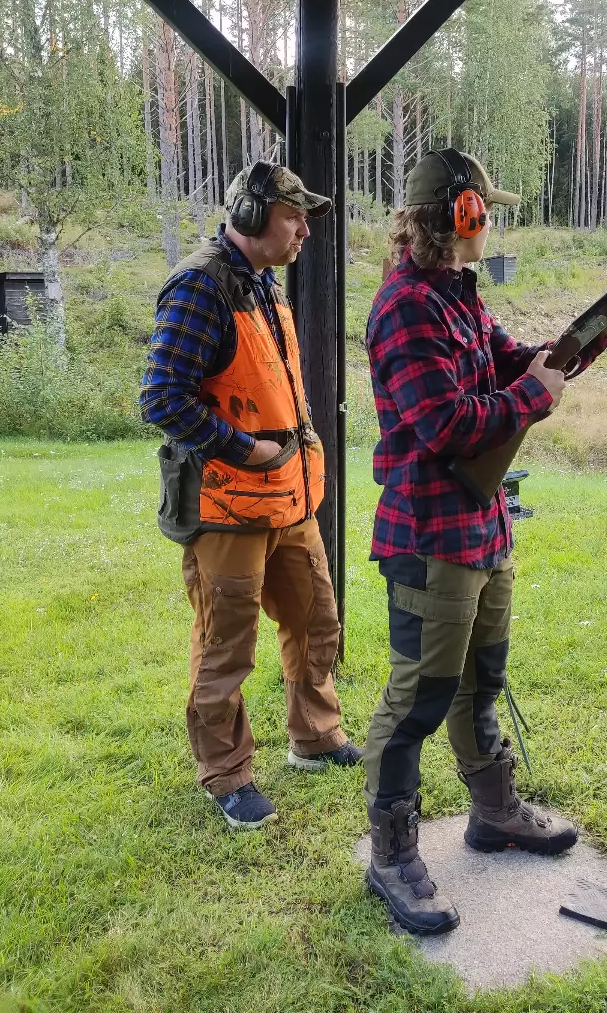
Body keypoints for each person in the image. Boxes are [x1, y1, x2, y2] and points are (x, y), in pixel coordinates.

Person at [362, 148, 607, 934]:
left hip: (482, 526)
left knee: (480, 681)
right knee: (418, 699)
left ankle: (494, 812)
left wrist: (596, 332)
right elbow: (445, 425)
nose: (490, 223)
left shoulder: (457, 294)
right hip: (431, 535)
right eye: (485, 210)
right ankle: (392, 855)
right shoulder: (406, 307)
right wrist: (531, 396)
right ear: (462, 214)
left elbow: (520, 364)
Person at [140, 162, 362, 831]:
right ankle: (227, 774)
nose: (303, 231)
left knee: (315, 620)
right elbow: (162, 398)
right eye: (294, 217)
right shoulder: (200, 287)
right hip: (228, 506)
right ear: (251, 214)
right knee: (226, 644)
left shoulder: (262, 284)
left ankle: (315, 736)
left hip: (288, 498)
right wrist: (246, 450)